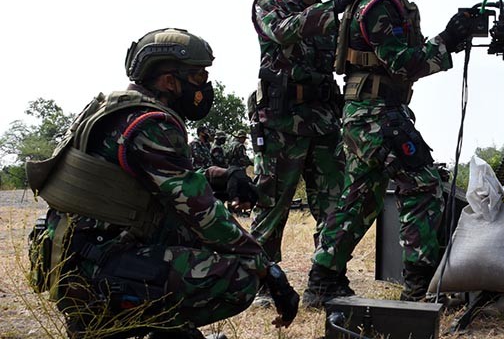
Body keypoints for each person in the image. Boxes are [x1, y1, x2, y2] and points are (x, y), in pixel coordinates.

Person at [25, 28, 299, 339]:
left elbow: (155, 179)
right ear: (169, 81)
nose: (205, 87)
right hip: (95, 268)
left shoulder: (116, 110)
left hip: (77, 257)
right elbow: (204, 216)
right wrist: (269, 270)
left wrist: (221, 176)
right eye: (198, 77)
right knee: (241, 276)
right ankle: (114, 325)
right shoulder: (151, 124)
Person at [303, 0, 474, 306]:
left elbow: (405, 58)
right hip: (377, 114)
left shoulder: (385, 2)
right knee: (424, 185)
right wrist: (447, 39)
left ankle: (323, 282)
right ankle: (421, 285)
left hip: (367, 113)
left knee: (360, 198)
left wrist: (449, 42)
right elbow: (404, 62)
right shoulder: (381, 4)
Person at [248, 0, 366, 307]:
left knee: (334, 203)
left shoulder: (331, 18)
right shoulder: (270, 3)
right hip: (281, 122)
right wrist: (335, 9)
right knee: (271, 204)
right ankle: (264, 283)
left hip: (324, 122)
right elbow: (283, 31)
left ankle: (327, 279)